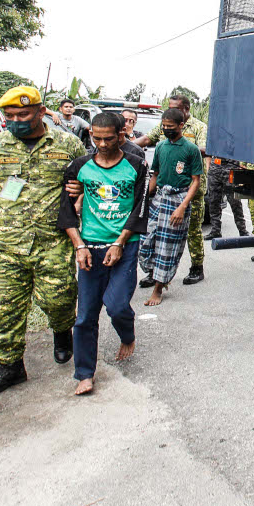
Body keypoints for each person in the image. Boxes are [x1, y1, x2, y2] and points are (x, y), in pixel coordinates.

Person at [0, 86, 85, 398]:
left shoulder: (68, 144)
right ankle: (11, 366)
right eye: (9, 116)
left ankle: (63, 333)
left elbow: (92, 178)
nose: (16, 120)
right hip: (5, 246)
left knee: (59, 301)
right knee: (4, 310)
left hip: (53, 242)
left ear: (40, 111)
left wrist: (80, 193)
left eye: (23, 114)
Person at [58, 113, 149, 395]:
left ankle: (128, 335)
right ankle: (84, 373)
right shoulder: (79, 166)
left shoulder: (136, 164)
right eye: (96, 138)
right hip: (90, 247)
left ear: (121, 134)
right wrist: (79, 245)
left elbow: (140, 208)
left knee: (117, 304)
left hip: (125, 243)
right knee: (85, 315)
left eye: (108, 138)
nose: (101, 144)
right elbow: (65, 211)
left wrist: (120, 242)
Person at [134, 95, 207, 285]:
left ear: (185, 110)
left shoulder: (198, 127)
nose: (166, 128)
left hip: (190, 189)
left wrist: (181, 149)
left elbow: (206, 148)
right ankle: (154, 271)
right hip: (164, 190)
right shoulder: (165, 128)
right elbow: (147, 139)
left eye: (175, 108)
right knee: (155, 233)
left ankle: (196, 267)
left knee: (192, 231)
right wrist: (125, 145)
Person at [204, 157, 249, 240]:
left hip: (231, 165)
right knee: (213, 200)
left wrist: (242, 164)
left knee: (235, 201)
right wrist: (208, 167)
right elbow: (209, 153)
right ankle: (215, 231)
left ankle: (243, 231)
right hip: (216, 165)